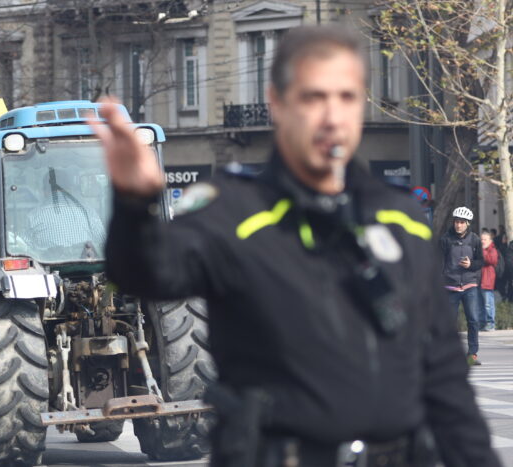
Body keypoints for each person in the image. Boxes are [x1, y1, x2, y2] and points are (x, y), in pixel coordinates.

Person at [91, 25, 497, 466]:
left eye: (346, 97)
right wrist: (135, 203)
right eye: (313, 97)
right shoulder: (233, 211)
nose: (331, 116)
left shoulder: (398, 216)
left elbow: (445, 378)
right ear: (278, 103)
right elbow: (146, 273)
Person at [441, 206, 484, 364]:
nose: (458, 225)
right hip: (450, 286)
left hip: (469, 285)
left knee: (473, 320)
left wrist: (470, 264)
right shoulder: (445, 239)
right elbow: (439, 262)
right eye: (456, 222)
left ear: (467, 224)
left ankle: (472, 354)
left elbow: (481, 262)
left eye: (461, 222)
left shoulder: (475, 240)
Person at [481, 229, 500, 331]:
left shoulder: (492, 250)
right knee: (481, 304)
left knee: (489, 304)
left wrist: (483, 251)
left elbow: (491, 260)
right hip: (480, 280)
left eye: (485, 239)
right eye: (482, 239)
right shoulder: (481, 249)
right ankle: (482, 322)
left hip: (488, 281)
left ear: (490, 241)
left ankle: (491, 323)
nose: (483, 241)